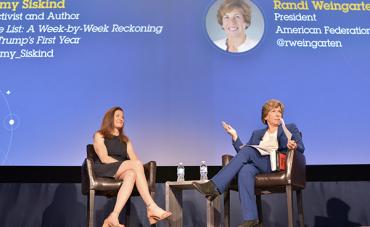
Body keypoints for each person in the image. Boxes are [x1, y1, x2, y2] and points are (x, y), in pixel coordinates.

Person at [193, 99, 305, 227]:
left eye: (279, 112)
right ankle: (251, 219)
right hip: (259, 162)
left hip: (276, 165)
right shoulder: (257, 134)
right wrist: (235, 136)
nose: (278, 114)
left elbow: (301, 147)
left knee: (247, 153)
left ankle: (215, 187)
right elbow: (243, 154)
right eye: (274, 111)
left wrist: (294, 145)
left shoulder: (289, 128)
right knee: (245, 170)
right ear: (265, 116)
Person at [93, 107, 171, 227]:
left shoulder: (126, 140)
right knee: (135, 166)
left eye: (123, 117)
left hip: (122, 170)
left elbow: (134, 160)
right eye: (118, 116)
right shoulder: (100, 135)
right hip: (105, 168)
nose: (121, 119)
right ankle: (151, 207)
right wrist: (127, 164)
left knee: (132, 174)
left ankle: (113, 216)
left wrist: (132, 166)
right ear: (110, 118)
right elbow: (104, 158)